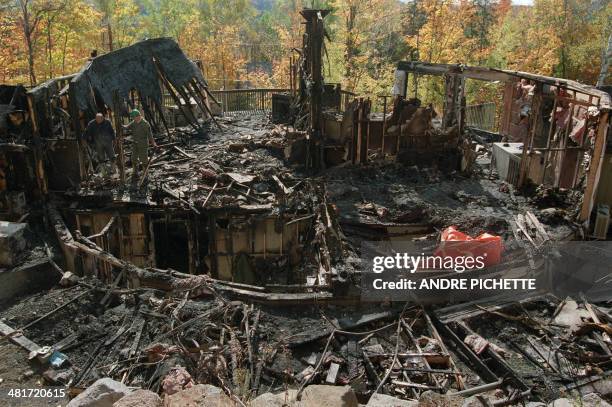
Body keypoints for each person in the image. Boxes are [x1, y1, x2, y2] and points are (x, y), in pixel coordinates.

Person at [125, 109, 156, 175]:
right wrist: (122, 126)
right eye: (132, 118)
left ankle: (145, 173)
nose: (133, 119)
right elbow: (127, 127)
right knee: (133, 158)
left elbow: (150, 135)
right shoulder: (134, 122)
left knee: (144, 159)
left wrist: (153, 143)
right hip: (135, 143)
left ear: (138, 116)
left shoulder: (145, 124)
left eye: (134, 117)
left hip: (143, 144)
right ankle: (135, 172)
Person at [84, 112, 116, 177]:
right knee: (101, 158)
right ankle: (104, 173)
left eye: (99, 119)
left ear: (102, 118)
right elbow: (87, 132)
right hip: (98, 143)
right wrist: (84, 139)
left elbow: (112, 131)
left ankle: (114, 170)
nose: (97, 121)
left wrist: (114, 139)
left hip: (108, 142)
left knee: (112, 156)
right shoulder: (91, 124)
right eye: (96, 119)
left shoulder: (107, 122)